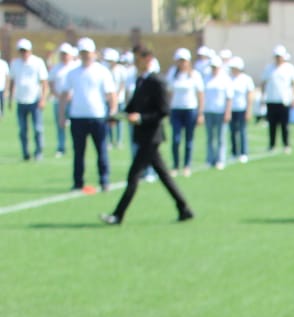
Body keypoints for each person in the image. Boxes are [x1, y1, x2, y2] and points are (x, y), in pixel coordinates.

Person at [99, 49, 193, 226]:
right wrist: (117, 117)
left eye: (138, 59)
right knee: (164, 175)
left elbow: (163, 111)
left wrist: (142, 118)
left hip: (151, 136)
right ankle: (184, 208)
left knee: (133, 175)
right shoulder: (141, 80)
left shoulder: (156, 81)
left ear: (148, 59)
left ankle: (118, 214)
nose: (135, 63)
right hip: (143, 136)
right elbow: (133, 106)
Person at [63, 38, 117, 194]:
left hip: (97, 116)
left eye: (87, 52)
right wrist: (62, 114)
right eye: (82, 52)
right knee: (78, 152)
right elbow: (65, 95)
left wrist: (112, 112)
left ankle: (104, 180)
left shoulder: (102, 71)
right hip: (77, 117)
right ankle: (78, 182)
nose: (85, 55)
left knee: (101, 150)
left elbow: (111, 94)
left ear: (93, 53)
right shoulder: (73, 72)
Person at [8, 39, 48, 161]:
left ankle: (38, 151)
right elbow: (12, 81)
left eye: (25, 50)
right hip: (21, 101)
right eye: (21, 51)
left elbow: (44, 82)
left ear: (30, 51)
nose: (23, 53)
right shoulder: (15, 64)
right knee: (22, 130)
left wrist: (43, 99)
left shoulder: (37, 62)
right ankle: (25, 153)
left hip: (34, 100)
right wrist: (10, 98)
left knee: (38, 129)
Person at [168, 48, 203, 176]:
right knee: (176, 139)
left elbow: (200, 94)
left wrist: (200, 113)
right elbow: (169, 92)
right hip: (176, 110)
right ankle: (175, 165)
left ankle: (187, 165)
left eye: (184, 61)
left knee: (189, 140)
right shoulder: (173, 74)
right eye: (180, 61)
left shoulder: (195, 75)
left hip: (190, 109)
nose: (182, 63)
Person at [261, 44, 294, 153]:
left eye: (280, 56)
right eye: (276, 56)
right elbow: (263, 83)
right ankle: (272, 145)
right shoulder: (269, 68)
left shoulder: (289, 68)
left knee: (284, 125)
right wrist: (263, 97)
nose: (278, 58)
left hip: (284, 101)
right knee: (272, 125)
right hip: (271, 100)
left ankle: (286, 144)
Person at [203, 57, 233, 169]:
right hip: (208, 111)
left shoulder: (225, 79)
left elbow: (229, 97)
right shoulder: (206, 78)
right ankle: (210, 159)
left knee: (221, 137)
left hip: (220, 111)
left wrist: (228, 112)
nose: (214, 69)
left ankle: (220, 159)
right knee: (210, 137)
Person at [227, 56, 254, 163]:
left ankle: (243, 152)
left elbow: (250, 95)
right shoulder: (229, 78)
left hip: (241, 108)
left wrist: (249, 110)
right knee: (232, 131)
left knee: (242, 131)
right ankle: (234, 152)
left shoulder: (246, 79)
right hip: (231, 109)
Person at [50, 43, 75, 157]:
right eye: (62, 54)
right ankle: (61, 147)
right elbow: (51, 83)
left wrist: (72, 95)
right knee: (60, 124)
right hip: (59, 101)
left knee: (75, 126)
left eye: (66, 54)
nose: (64, 56)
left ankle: (76, 146)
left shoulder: (75, 67)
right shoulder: (56, 68)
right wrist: (59, 96)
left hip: (73, 102)